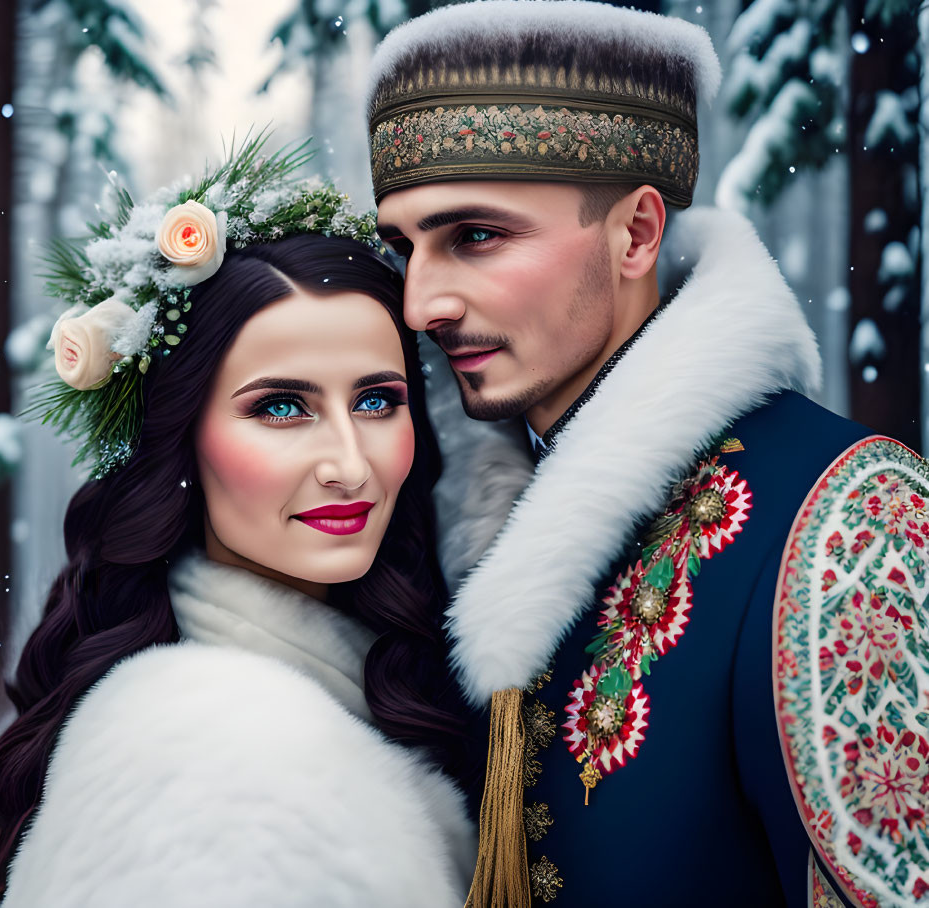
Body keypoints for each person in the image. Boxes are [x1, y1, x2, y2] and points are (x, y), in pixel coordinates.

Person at [365, 2, 929, 906]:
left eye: (475, 236)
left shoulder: (853, 523)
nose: (421, 302)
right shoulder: (428, 524)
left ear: (635, 234)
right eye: (405, 246)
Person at [0, 146, 475, 907]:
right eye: (280, 407)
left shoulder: (373, 682)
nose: (349, 464)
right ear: (181, 441)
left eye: (374, 402)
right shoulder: (210, 757)